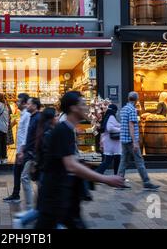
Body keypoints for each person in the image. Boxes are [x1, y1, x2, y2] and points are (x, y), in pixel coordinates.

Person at [35, 91, 125, 229]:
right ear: (73, 108)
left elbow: (68, 162)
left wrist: (85, 164)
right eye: (83, 104)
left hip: (65, 198)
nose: (86, 107)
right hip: (54, 199)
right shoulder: (63, 130)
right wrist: (106, 179)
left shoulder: (68, 129)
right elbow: (71, 166)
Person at [13, 107, 57, 229]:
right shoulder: (49, 133)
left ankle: (25, 218)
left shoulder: (43, 130)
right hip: (47, 174)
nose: (58, 118)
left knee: (44, 206)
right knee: (46, 207)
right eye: (56, 116)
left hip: (44, 173)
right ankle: (23, 220)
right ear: (51, 118)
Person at [118, 92, 160, 190]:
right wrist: (135, 142)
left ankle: (119, 182)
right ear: (136, 100)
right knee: (139, 161)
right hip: (130, 140)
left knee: (123, 161)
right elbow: (131, 126)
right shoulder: (132, 110)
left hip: (124, 139)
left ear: (128, 98)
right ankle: (146, 182)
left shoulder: (124, 109)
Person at [3, 93, 31, 203]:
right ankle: (16, 194)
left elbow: (26, 133)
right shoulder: (23, 114)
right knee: (18, 172)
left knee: (24, 177)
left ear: (24, 103)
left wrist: (21, 151)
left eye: (18, 101)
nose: (16, 103)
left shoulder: (27, 115)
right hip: (21, 150)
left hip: (23, 151)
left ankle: (27, 200)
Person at [20, 97, 41, 211]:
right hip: (30, 153)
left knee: (25, 177)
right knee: (36, 179)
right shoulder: (32, 117)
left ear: (34, 106)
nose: (26, 106)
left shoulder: (37, 118)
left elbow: (38, 137)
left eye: (28, 104)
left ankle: (30, 207)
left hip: (33, 154)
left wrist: (34, 155)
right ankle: (38, 205)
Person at [96, 104, 121, 175]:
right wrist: (121, 129)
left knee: (114, 159)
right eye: (116, 110)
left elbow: (113, 125)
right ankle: (98, 173)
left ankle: (116, 175)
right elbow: (110, 128)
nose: (117, 112)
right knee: (110, 160)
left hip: (110, 142)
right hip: (111, 142)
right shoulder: (111, 116)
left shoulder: (107, 116)